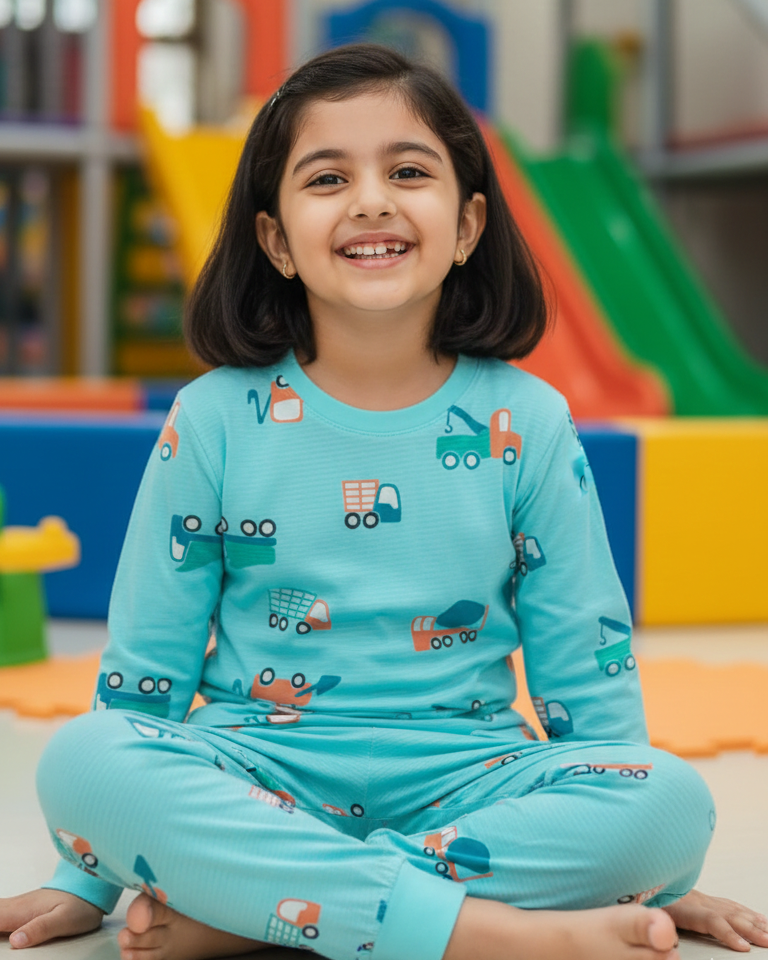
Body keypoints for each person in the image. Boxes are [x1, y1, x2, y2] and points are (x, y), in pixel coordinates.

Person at [2, 43, 767, 960]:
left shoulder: (528, 419)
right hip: (254, 766)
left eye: (408, 171)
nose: (372, 200)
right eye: (328, 178)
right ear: (276, 239)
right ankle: (490, 934)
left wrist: (655, 864)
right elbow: (145, 672)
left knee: (668, 802)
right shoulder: (211, 420)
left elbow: (585, 667)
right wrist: (83, 875)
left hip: (474, 774)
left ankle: (252, 910)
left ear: (469, 223)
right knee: (88, 761)